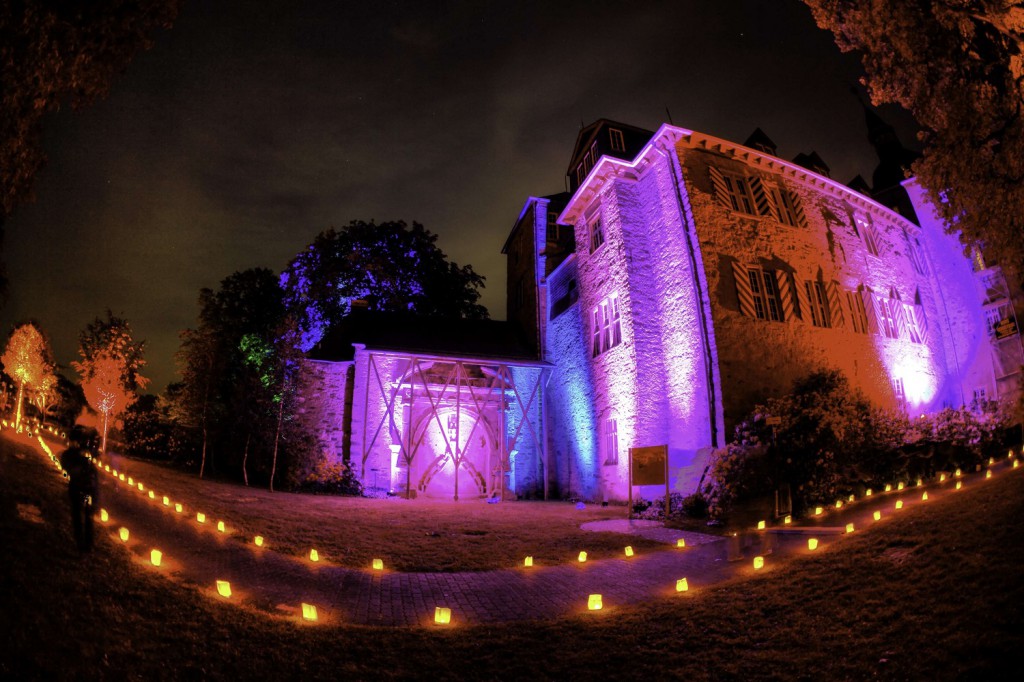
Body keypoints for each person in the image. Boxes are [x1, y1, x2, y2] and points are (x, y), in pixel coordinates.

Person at [60, 426, 100, 552]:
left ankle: (87, 543)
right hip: (78, 489)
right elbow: (69, 468)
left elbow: (93, 473)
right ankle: (81, 542)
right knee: (78, 515)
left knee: (87, 515)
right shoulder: (69, 455)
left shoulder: (85, 455)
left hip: (86, 489)